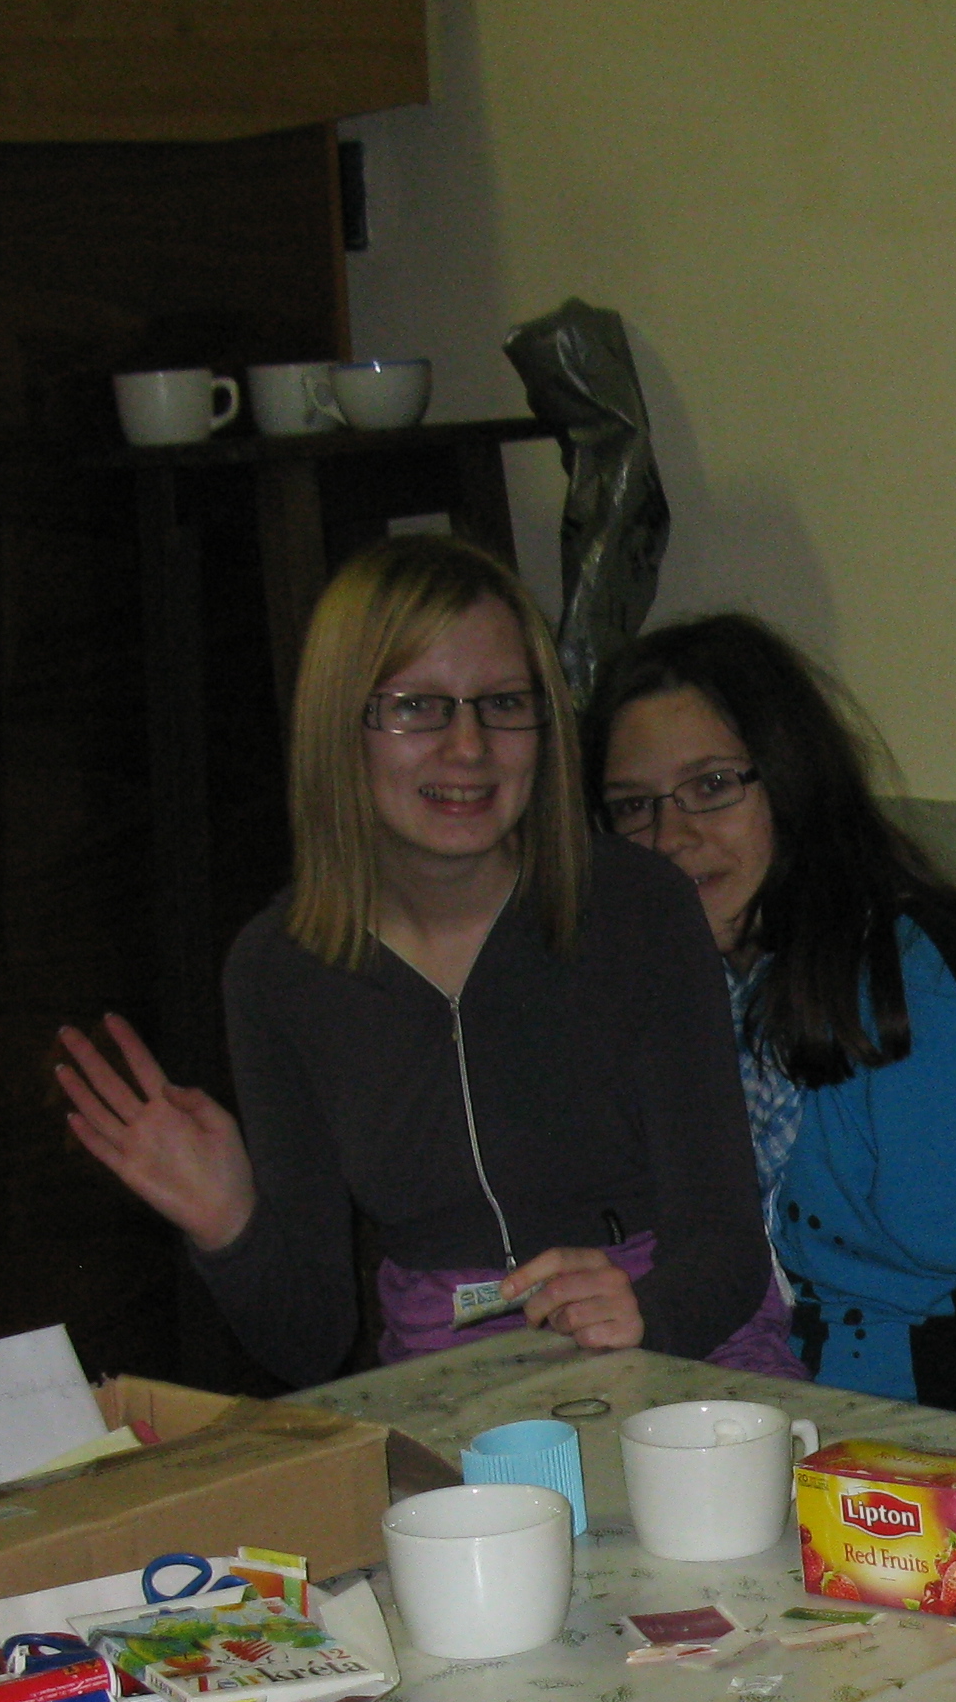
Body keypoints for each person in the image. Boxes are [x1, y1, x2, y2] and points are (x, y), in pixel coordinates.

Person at [56, 535, 772, 1387]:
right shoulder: (278, 970)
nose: (468, 747)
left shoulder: (637, 906)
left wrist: (648, 1312)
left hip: (679, 1348)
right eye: (417, 707)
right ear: (340, 725)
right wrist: (229, 1225)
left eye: (503, 703)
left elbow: (726, 1245)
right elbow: (309, 1343)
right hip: (451, 1382)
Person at [588, 612, 956, 1437]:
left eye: (712, 786)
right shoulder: (681, 990)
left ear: (792, 781)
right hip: (792, 1429)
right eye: (632, 807)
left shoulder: (916, 988)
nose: (669, 837)